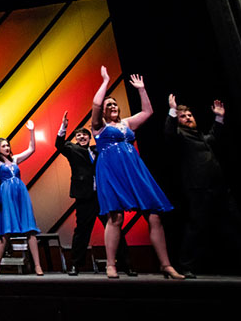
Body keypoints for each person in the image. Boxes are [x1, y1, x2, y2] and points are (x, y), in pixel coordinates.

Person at [91, 66, 183, 279]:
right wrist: (105, 81)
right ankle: (111, 265)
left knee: (154, 214)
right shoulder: (99, 127)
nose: (113, 106)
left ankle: (165, 264)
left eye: (115, 103)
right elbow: (95, 104)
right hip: (112, 171)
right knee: (116, 216)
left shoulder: (126, 124)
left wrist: (141, 89)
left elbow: (148, 112)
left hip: (134, 170)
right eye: (109, 104)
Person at [164, 95, 241, 277]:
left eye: (190, 115)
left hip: (219, 188)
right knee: (197, 228)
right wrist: (173, 111)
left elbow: (214, 136)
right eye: (184, 116)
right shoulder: (180, 136)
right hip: (199, 188)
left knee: (235, 223)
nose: (188, 118)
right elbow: (169, 132)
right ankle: (186, 265)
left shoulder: (200, 136)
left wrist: (219, 118)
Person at [56, 111, 133, 276]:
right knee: (82, 231)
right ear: (75, 138)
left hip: (103, 195)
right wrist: (64, 127)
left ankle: (126, 265)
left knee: (115, 227)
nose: (82, 137)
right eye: (79, 135)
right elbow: (59, 145)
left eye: (85, 135)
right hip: (84, 196)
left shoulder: (98, 149)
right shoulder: (72, 149)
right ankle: (76, 265)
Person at [0, 118, 43, 275]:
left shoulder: (15, 160)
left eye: (8, 145)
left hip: (20, 193)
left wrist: (31, 131)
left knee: (30, 229)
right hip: (6, 195)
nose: (7, 148)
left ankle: (37, 266)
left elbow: (31, 149)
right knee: (5, 232)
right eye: (3, 146)